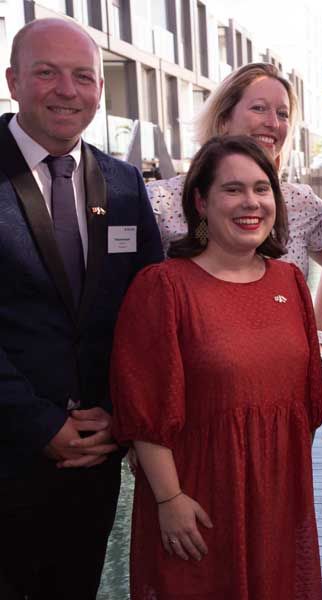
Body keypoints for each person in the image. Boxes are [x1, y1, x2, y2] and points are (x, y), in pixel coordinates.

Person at [111, 136, 322, 600]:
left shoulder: (289, 280)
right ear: (201, 203)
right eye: (232, 190)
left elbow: (300, 407)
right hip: (198, 499)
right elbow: (143, 407)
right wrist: (169, 500)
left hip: (277, 501)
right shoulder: (164, 287)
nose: (251, 202)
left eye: (261, 188)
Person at [0, 17, 163, 599]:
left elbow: (147, 313)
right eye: (47, 73)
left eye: (83, 77)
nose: (67, 90)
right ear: (14, 79)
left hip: (94, 458)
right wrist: (40, 424)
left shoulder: (122, 184)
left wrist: (120, 412)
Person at [148, 62, 322, 343]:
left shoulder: (301, 203)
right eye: (259, 108)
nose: (272, 123)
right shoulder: (161, 203)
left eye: (282, 114)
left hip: (280, 370)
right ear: (223, 119)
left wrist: (318, 334)